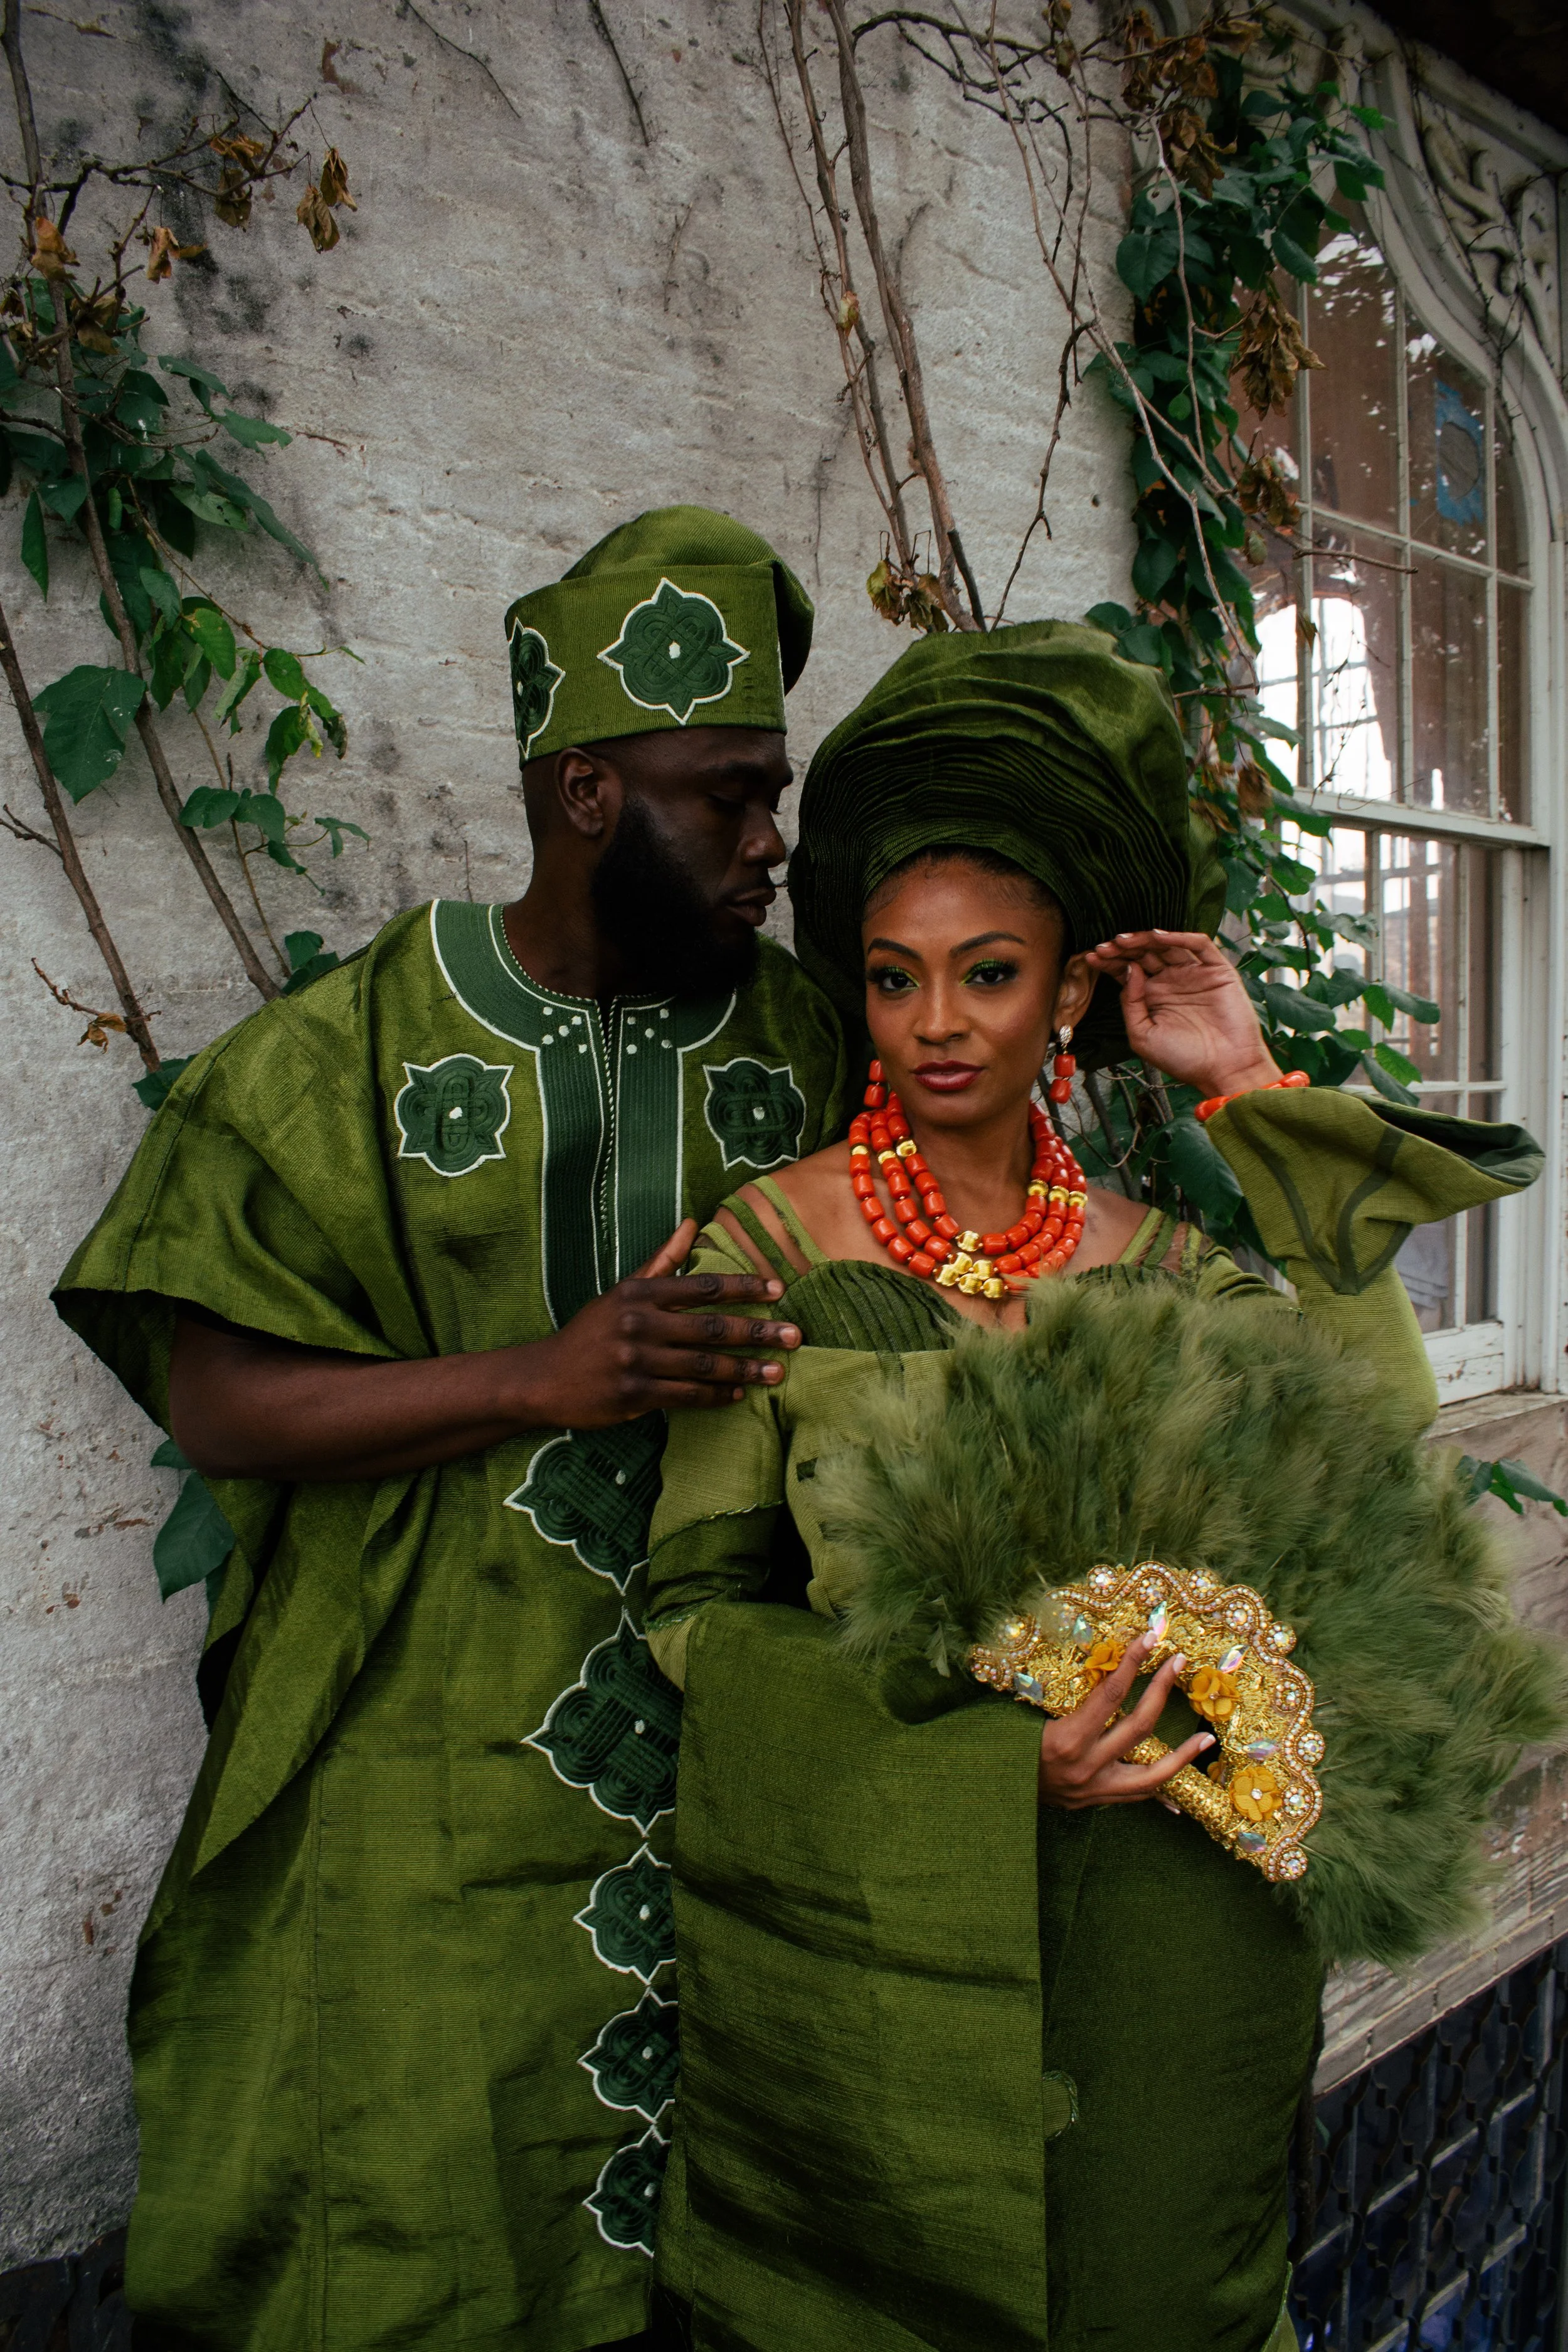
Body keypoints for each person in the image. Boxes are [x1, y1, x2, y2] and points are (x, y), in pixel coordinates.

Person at [640, 620, 1552, 2351]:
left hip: (1176, 1958)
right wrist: (996, 1766)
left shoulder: (1172, 1268)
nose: (935, 1023)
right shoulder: (769, 1245)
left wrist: (1243, 1083)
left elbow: (1370, 1448)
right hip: (894, 1959)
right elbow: (692, 1611)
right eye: (895, 976)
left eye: (988, 973)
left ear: (1066, 994)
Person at [53, 506, 849, 2351]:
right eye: (725, 796)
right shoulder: (350, 1049)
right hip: (420, 1745)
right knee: (411, 2201)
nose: (768, 840)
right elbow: (218, 1400)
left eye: (776, 794)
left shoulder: (808, 1049)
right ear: (585, 793)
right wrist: (536, 1378)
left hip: (734, 1751)